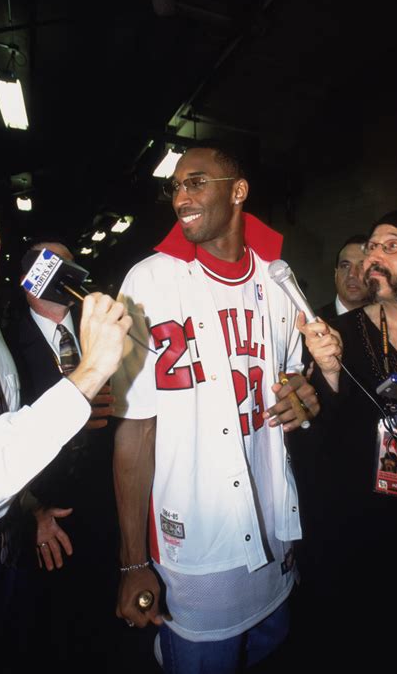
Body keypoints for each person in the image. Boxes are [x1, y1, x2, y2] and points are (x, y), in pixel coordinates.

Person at [112, 141, 320, 674]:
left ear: (238, 191)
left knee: (274, 647)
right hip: (198, 545)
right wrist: (133, 561)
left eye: (196, 181)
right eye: (176, 186)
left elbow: (292, 380)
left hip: (275, 529)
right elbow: (135, 434)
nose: (181, 194)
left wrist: (300, 395)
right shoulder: (149, 280)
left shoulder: (278, 277)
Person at [0, 190, 131, 674]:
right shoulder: (6, 336)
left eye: (71, 264)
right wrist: (32, 511)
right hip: (40, 527)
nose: (67, 274)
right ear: (28, 276)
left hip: (108, 508)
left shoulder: (109, 330)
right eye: (51, 264)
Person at [299, 207, 397, 673]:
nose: (372, 259)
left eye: (391, 246)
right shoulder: (337, 337)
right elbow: (310, 447)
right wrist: (326, 375)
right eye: (371, 248)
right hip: (364, 544)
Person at [316, 233, 370, 320]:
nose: (352, 274)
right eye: (345, 266)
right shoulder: (311, 322)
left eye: (362, 266)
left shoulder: (389, 325)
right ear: (336, 274)